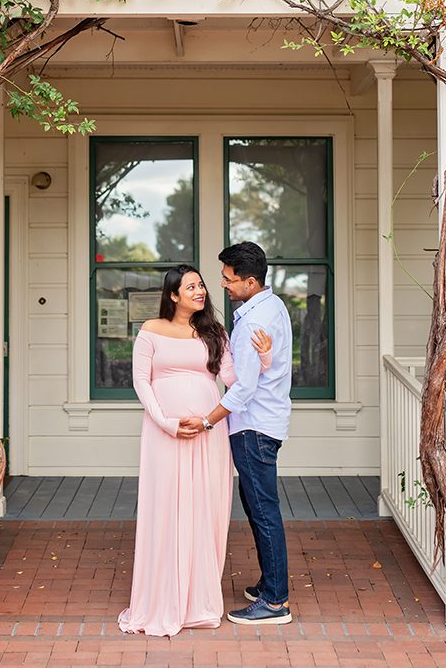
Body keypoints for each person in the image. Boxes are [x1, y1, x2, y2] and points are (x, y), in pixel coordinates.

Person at [118, 264, 271, 637]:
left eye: (201, 285)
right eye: (191, 287)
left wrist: (265, 359)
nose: (200, 291)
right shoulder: (150, 331)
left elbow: (234, 380)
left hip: (208, 432)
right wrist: (167, 423)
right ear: (173, 295)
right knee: (166, 509)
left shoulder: (215, 332)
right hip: (164, 434)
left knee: (206, 511)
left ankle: (199, 601)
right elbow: (142, 384)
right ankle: (162, 599)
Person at [182, 241, 293, 625]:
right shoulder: (271, 306)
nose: (223, 286)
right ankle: (269, 584)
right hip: (265, 423)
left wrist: (208, 420)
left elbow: (243, 388)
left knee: (263, 512)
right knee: (258, 507)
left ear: (249, 281)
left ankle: (276, 602)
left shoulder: (254, 321)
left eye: (229, 280)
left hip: (254, 427)